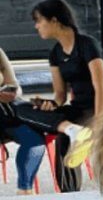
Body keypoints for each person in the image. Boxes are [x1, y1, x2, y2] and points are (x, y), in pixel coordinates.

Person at [12, 0, 103, 192]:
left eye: (39, 20)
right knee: (21, 108)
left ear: (54, 21)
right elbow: (60, 95)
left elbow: (102, 86)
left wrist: (100, 121)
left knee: (62, 138)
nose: (36, 26)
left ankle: (72, 132)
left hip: (101, 106)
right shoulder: (55, 53)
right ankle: (72, 130)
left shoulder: (87, 45)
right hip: (77, 109)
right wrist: (51, 105)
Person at [0, 48, 46, 195]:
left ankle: (25, 190)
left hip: (7, 113)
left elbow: (15, 86)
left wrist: (12, 94)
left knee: (35, 139)